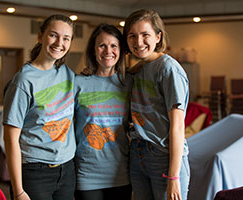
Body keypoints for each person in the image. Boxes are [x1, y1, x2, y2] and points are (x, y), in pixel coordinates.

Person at [3, 14, 76, 200]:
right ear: (40, 36)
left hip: (67, 169)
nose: (60, 42)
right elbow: (10, 139)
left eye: (66, 38)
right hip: (35, 172)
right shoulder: (23, 80)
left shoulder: (67, 73)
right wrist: (18, 191)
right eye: (53, 35)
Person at [123, 9, 190, 200]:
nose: (139, 42)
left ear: (158, 36)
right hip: (138, 154)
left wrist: (174, 176)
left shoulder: (168, 69)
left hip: (164, 157)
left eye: (145, 35)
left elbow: (177, 126)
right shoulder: (138, 69)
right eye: (132, 36)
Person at [73, 23, 133, 200]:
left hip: (120, 172)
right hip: (87, 173)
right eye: (102, 45)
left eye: (114, 45)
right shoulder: (78, 83)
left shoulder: (129, 82)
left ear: (121, 50)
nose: (108, 51)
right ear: (93, 50)